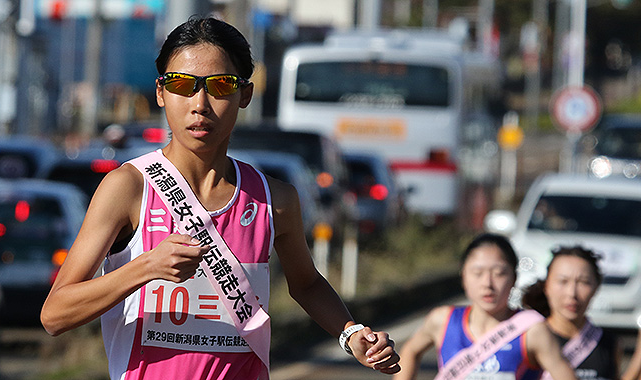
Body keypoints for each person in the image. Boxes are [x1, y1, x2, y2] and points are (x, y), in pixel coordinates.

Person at [40, 15, 400, 379]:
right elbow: (55, 314)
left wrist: (351, 333)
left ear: (245, 94)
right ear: (161, 93)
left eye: (220, 85)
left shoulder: (275, 199)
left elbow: (306, 284)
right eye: (182, 84)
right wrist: (147, 267)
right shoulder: (129, 188)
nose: (200, 103)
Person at [394, 233, 578, 380]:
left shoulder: (532, 331)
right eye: (477, 272)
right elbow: (410, 351)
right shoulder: (442, 320)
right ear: (463, 276)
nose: (487, 284)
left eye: (499, 273)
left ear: (514, 278)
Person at [522, 246, 640, 380]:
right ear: (546, 286)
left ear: (596, 287)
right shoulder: (529, 338)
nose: (572, 293)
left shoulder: (609, 343)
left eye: (583, 282)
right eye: (563, 281)